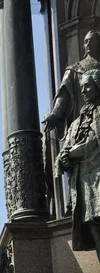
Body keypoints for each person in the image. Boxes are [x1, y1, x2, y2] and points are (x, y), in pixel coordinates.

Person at [56, 69, 100, 260]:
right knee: (95, 230)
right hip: (84, 184)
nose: (84, 90)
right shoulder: (75, 123)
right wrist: (64, 157)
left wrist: (77, 151)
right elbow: (63, 152)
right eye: (81, 87)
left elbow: (91, 142)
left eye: (88, 85)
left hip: (97, 175)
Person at [44, 30, 100, 138]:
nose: (88, 44)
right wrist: (56, 113)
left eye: (92, 40)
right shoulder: (74, 69)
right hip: (84, 117)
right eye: (86, 41)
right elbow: (64, 93)